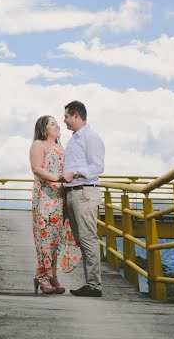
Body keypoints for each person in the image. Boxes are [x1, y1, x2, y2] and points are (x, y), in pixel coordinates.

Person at [30, 115, 80, 294]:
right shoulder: (38, 145)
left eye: (57, 123)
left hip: (59, 197)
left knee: (55, 239)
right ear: (44, 129)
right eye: (52, 124)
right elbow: (36, 168)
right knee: (45, 238)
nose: (57, 126)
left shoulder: (60, 147)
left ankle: (52, 276)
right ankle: (42, 277)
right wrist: (57, 179)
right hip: (45, 196)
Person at [61, 100, 106, 297]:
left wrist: (76, 174)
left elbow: (98, 167)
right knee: (81, 239)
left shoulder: (91, 137)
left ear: (76, 116)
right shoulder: (74, 139)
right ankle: (90, 283)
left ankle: (94, 286)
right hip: (74, 191)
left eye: (66, 116)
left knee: (88, 238)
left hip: (85, 191)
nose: (64, 120)